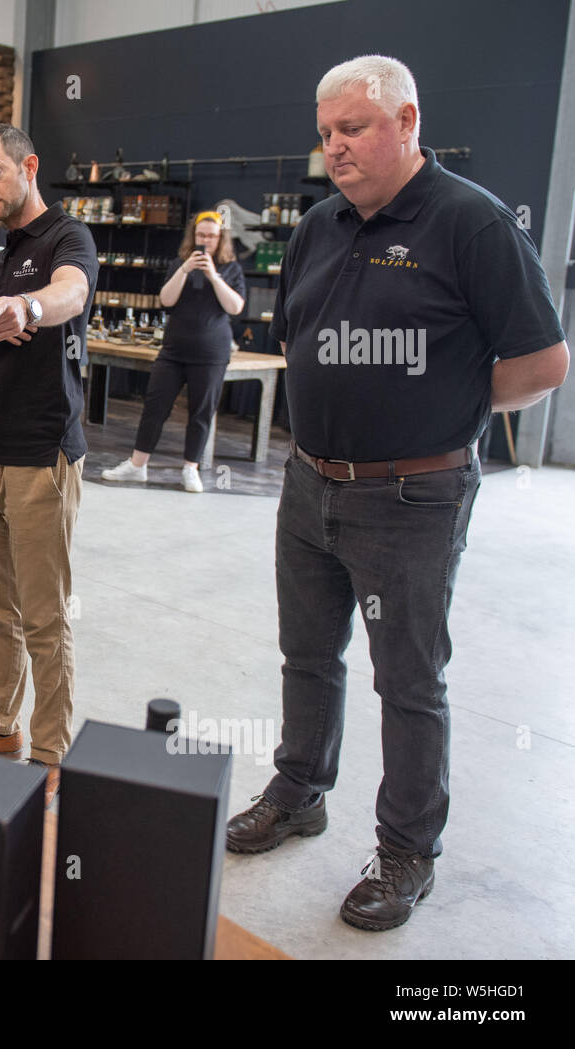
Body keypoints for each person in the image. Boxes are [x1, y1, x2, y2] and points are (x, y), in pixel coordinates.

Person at [225, 55, 568, 931]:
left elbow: (543, 361)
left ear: (407, 121)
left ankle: (408, 847)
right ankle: (301, 788)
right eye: (327, 132)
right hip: (309, 483)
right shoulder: (318, 225)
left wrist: (449, 400)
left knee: (409, 681)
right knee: (307, 655)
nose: (335, 146)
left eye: (355, 128)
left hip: (412, 499)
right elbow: (301, 336)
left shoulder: (473, 224)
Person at [0, 124, 99, 806]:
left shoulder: (68, 237)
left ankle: (50, 753)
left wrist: (28, 305)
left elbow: (72, 294)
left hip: (42, 455)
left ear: (28, 167)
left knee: (44, 616)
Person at [102, 210, 245, 492]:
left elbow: (235, 307)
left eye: (212, 237)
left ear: (221, 239)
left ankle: (191, 468)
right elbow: (166, 301)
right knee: (154, 406)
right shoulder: (178, 263)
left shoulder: (231, 269)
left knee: (201, 412)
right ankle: (137, 465)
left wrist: (213, 275)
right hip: (174, 349)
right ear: (193, 236)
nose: (206, 241)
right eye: (201, 235)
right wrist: (184, 270)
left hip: (211, 353)